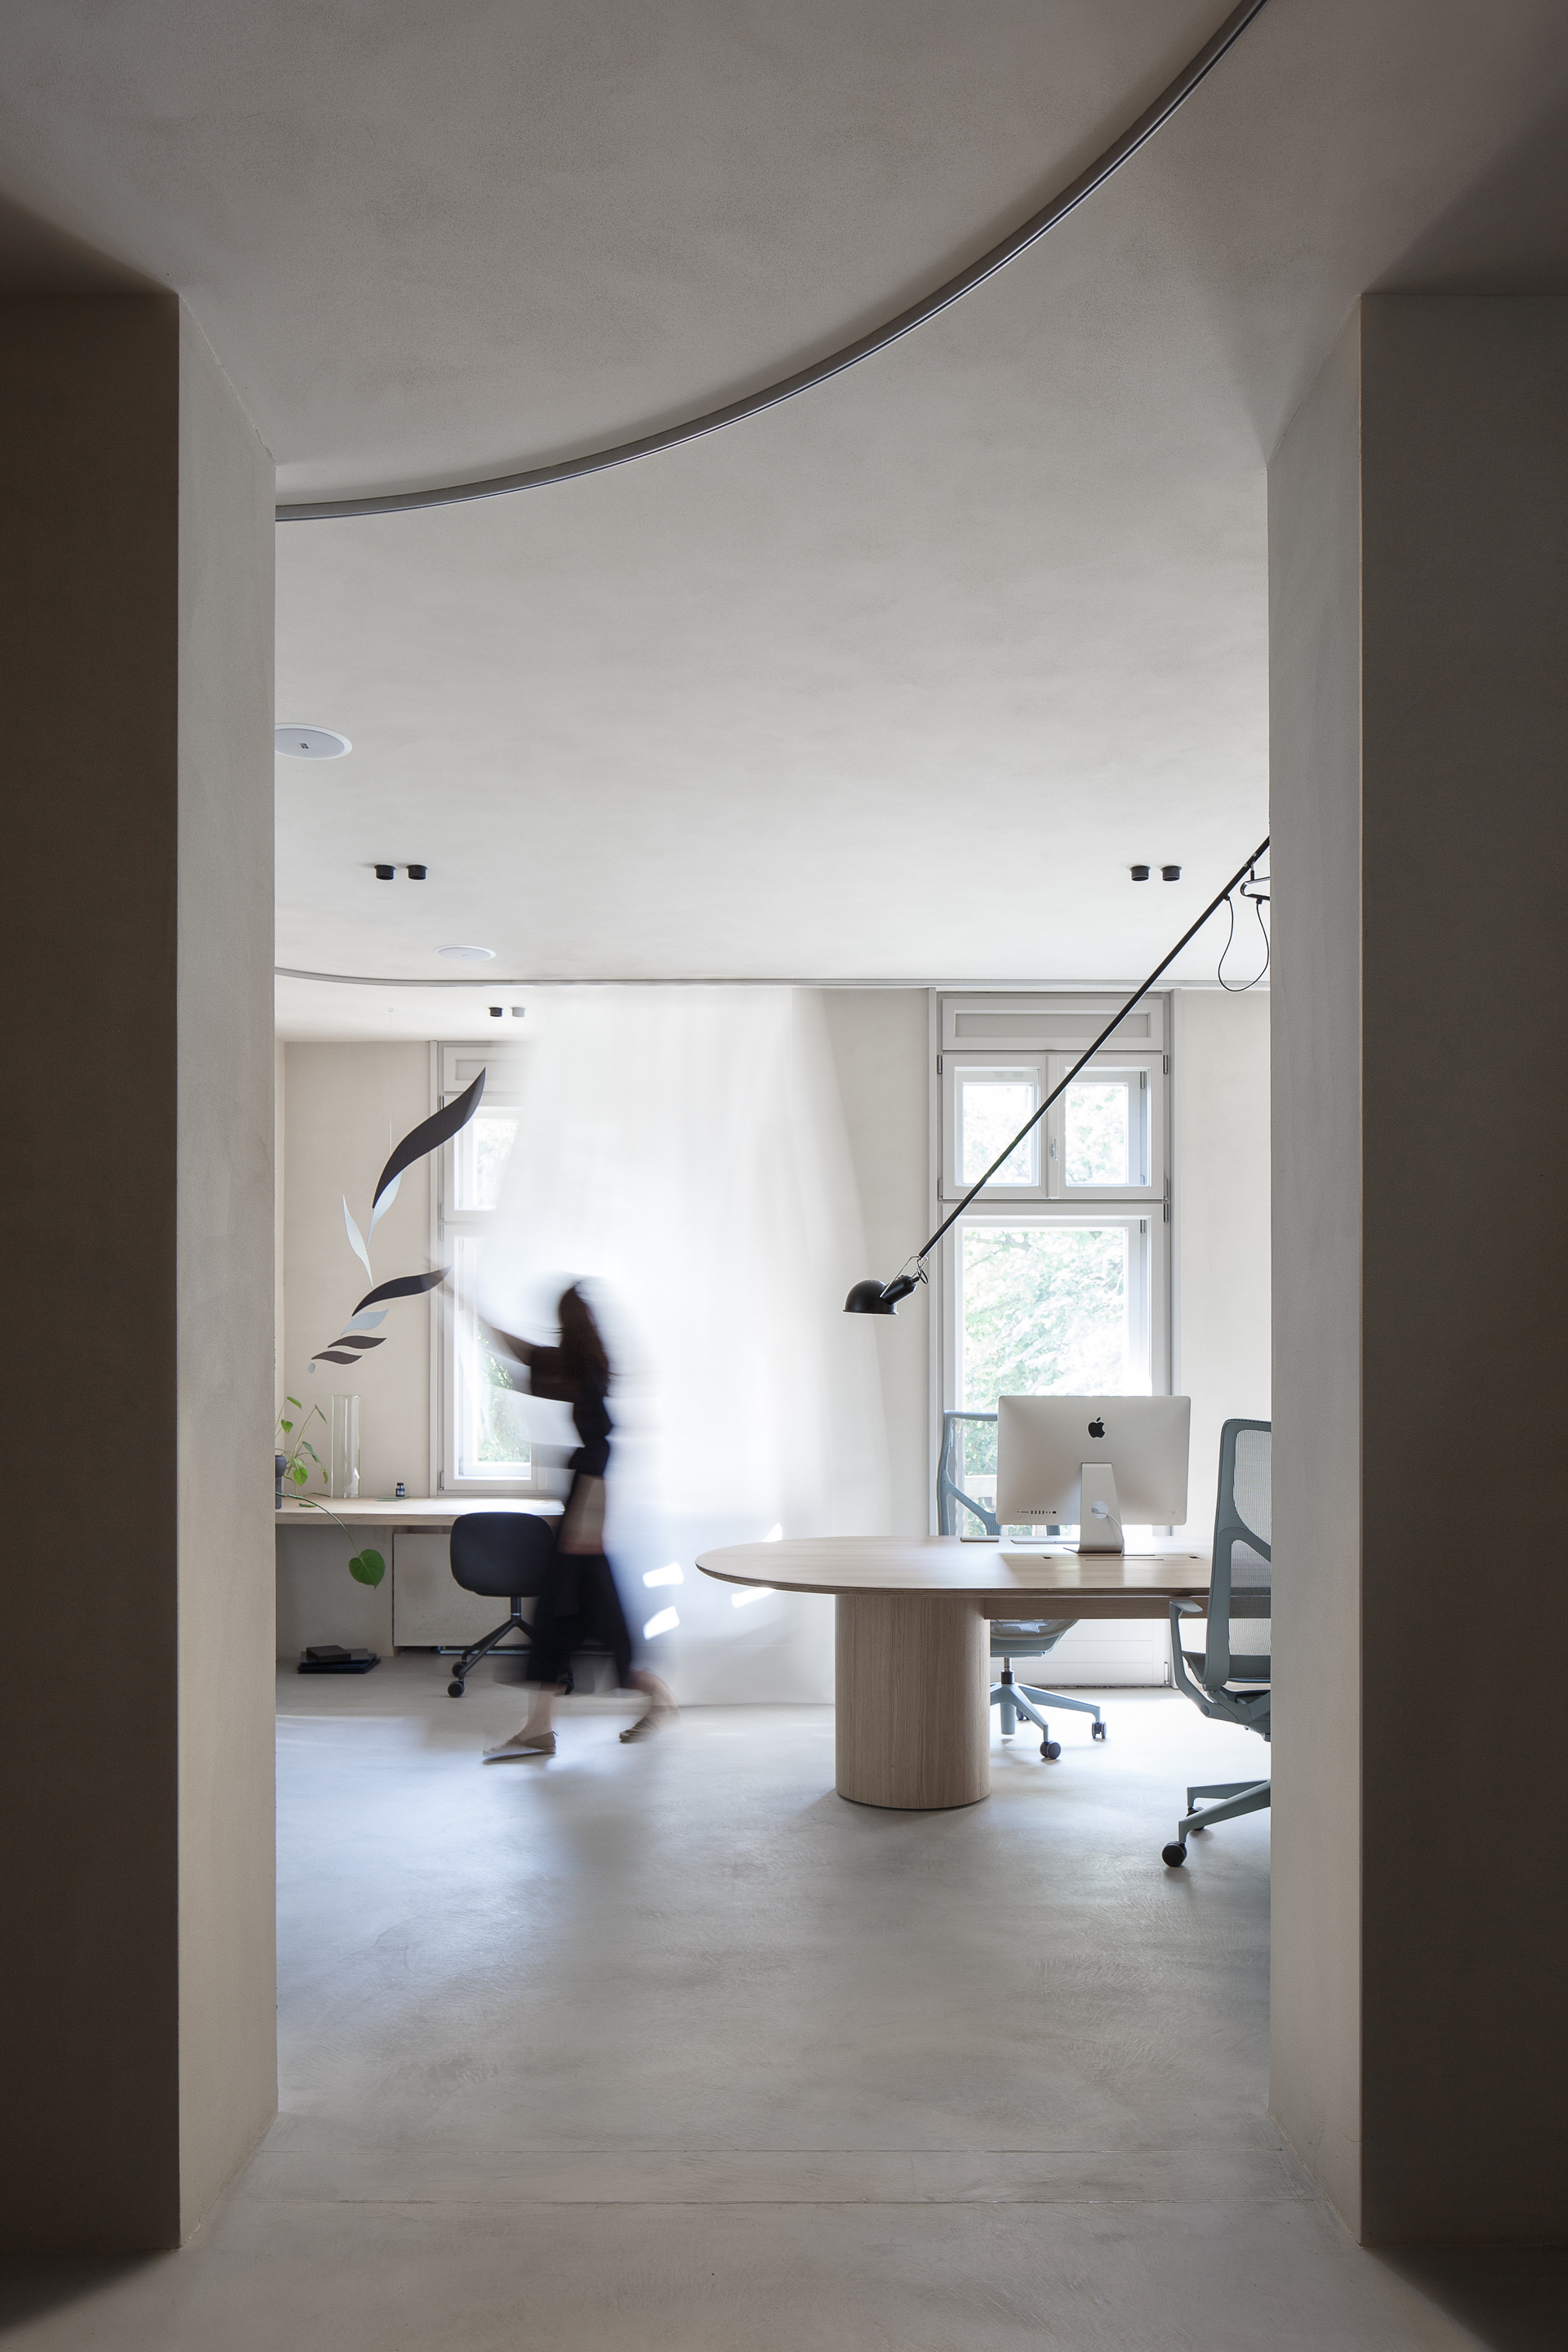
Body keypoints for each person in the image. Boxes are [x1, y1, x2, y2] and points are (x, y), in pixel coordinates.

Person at [477, 1284, 676, 1759]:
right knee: (568, 1623)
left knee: (576, 1621)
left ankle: (654, 1698)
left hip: (586, 1511)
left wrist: (583, 1532)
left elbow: (534, 1362)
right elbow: (535, 1360)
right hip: (586, 1506)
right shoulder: (590, 1369)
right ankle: (542, 1727)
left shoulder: (586, 1377)